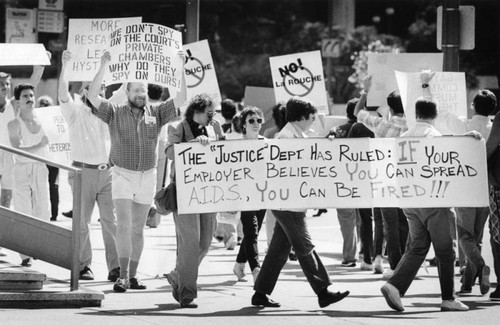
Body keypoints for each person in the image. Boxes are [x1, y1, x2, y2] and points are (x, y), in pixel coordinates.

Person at [87, 51, 180, 292]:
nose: (141, 94)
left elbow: (182, 99)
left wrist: (178, 66)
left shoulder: (157, 113)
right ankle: (123, 276)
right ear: (126, 92)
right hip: (122, 176)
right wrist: (103, 65)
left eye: (144, 90)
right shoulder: (114, 112)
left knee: (138, 229)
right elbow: (91, 96)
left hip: (147, 177)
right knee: (125, 226)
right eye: (136, 90)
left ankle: (133, 276)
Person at [380, 71, 471, 312]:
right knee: (445, 251)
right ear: (436, 115)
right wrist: (468, 139)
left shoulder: (405, 135)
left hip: (410, 201)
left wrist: (424, 85)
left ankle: (395, 285)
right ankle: (448, 298)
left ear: (416, 114)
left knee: (418, 247)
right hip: (432, 201)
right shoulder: (435, 136)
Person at [251, 97, 349, 308]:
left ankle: (260, 293)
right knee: (305, 246)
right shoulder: (286, 137)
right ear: (302, 117)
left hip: (290, 202)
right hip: (287, 204)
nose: (314, 121)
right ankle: (323, 290)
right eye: (312, 117)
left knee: (278, 251)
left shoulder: (296, 135)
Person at [58, 50, 120, 282]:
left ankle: (115, 268)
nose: (98, 90)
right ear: (83, 91)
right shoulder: (74, 111)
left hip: (107, 174)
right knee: (82, 223)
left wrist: (108, 63)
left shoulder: (109, 111)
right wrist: (65, 65)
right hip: (82, 172)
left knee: (111, 222)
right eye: (92, 86)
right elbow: (62, 93)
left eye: (102, 87)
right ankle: (84, 266)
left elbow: (125, 90)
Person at [165, 93, 224, 308]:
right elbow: (170, 152)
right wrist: (192, 145)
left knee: (205, 243)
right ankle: (187, 293)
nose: (213, 116)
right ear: (197, 112)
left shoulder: (215, 128)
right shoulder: (178, 128)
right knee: (189, 243)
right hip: (185, 193)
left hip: (209, 192)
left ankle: (177, 275)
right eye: (209, 113)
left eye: (213, 112)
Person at [437, 89, 496, 295]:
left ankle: (480, 266)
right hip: (488, 188)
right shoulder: (493, 127)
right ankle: (467, 284)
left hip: (465, 186)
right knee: (477, 237)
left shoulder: (464, 125)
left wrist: (426, 86)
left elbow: (440, 112)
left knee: (464, 234)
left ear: (473, 105)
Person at [354, 77, 409, 278]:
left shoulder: (381, 125)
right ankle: (405, 262)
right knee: (405, 222)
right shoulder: (411, 127)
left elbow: (356, 113)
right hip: (407, 179)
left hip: (384, 179)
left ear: (391, 109)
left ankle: (394, 266)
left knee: (389, 224)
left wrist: (365, 91)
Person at [7, 83, 50, 267]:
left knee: (42, 209)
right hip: (22, 168)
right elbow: (17, 150)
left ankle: (38, 247)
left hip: (40, 168)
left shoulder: (44, 120)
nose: (30, 98)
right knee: (23, 210)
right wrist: (39, 145)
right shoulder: (14, 123)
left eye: (32, 95)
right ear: (18, 100)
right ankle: (24, 255)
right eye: (25, 96)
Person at [0, 59, 46, 210]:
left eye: (6, 84)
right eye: (0, 84)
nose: (4, 87)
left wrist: (40, 63)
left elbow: (31, 85)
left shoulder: (13, 104)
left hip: (8, 154)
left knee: (6, 198)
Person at [232, 106, 267, 282]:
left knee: (254, 231)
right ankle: (256, 271)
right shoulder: (236, 145)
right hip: (244, 195)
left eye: (258, 120)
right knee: (251, 231)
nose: (256, 124)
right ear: (243, 124)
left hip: (262, 194)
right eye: (251, 120)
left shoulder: (267, 143)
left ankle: (239, 264)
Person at [331, 98, 362, 268]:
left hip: (341, 181)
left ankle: (350, 256)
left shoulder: (335, 130)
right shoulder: (369, 129)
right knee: (365, 219)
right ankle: (368, 254)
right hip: (365, 180)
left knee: (346, 221)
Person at [36, 95, 60, 222]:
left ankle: (54, 214)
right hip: (42, 157)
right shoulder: (35, 121)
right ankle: (45, 213)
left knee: (53, 187)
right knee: (44, 186)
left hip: (53, 158)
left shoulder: (54, 121)